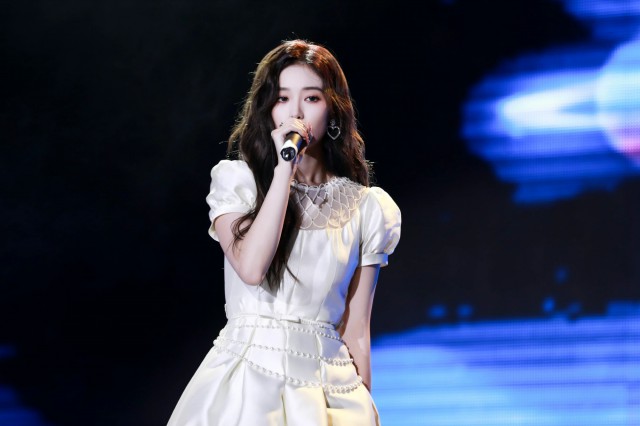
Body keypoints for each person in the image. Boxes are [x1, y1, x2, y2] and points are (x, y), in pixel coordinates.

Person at [168, 39, 401, 426]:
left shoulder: (368, 208)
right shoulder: (238, 182)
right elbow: (252, 267)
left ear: (333, 110)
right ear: (267, 109)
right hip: (248, 383)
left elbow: (357, 329)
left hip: (331, 389)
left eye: (311, 98)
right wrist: (283, 172)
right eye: (282, 98)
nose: (295, 112)